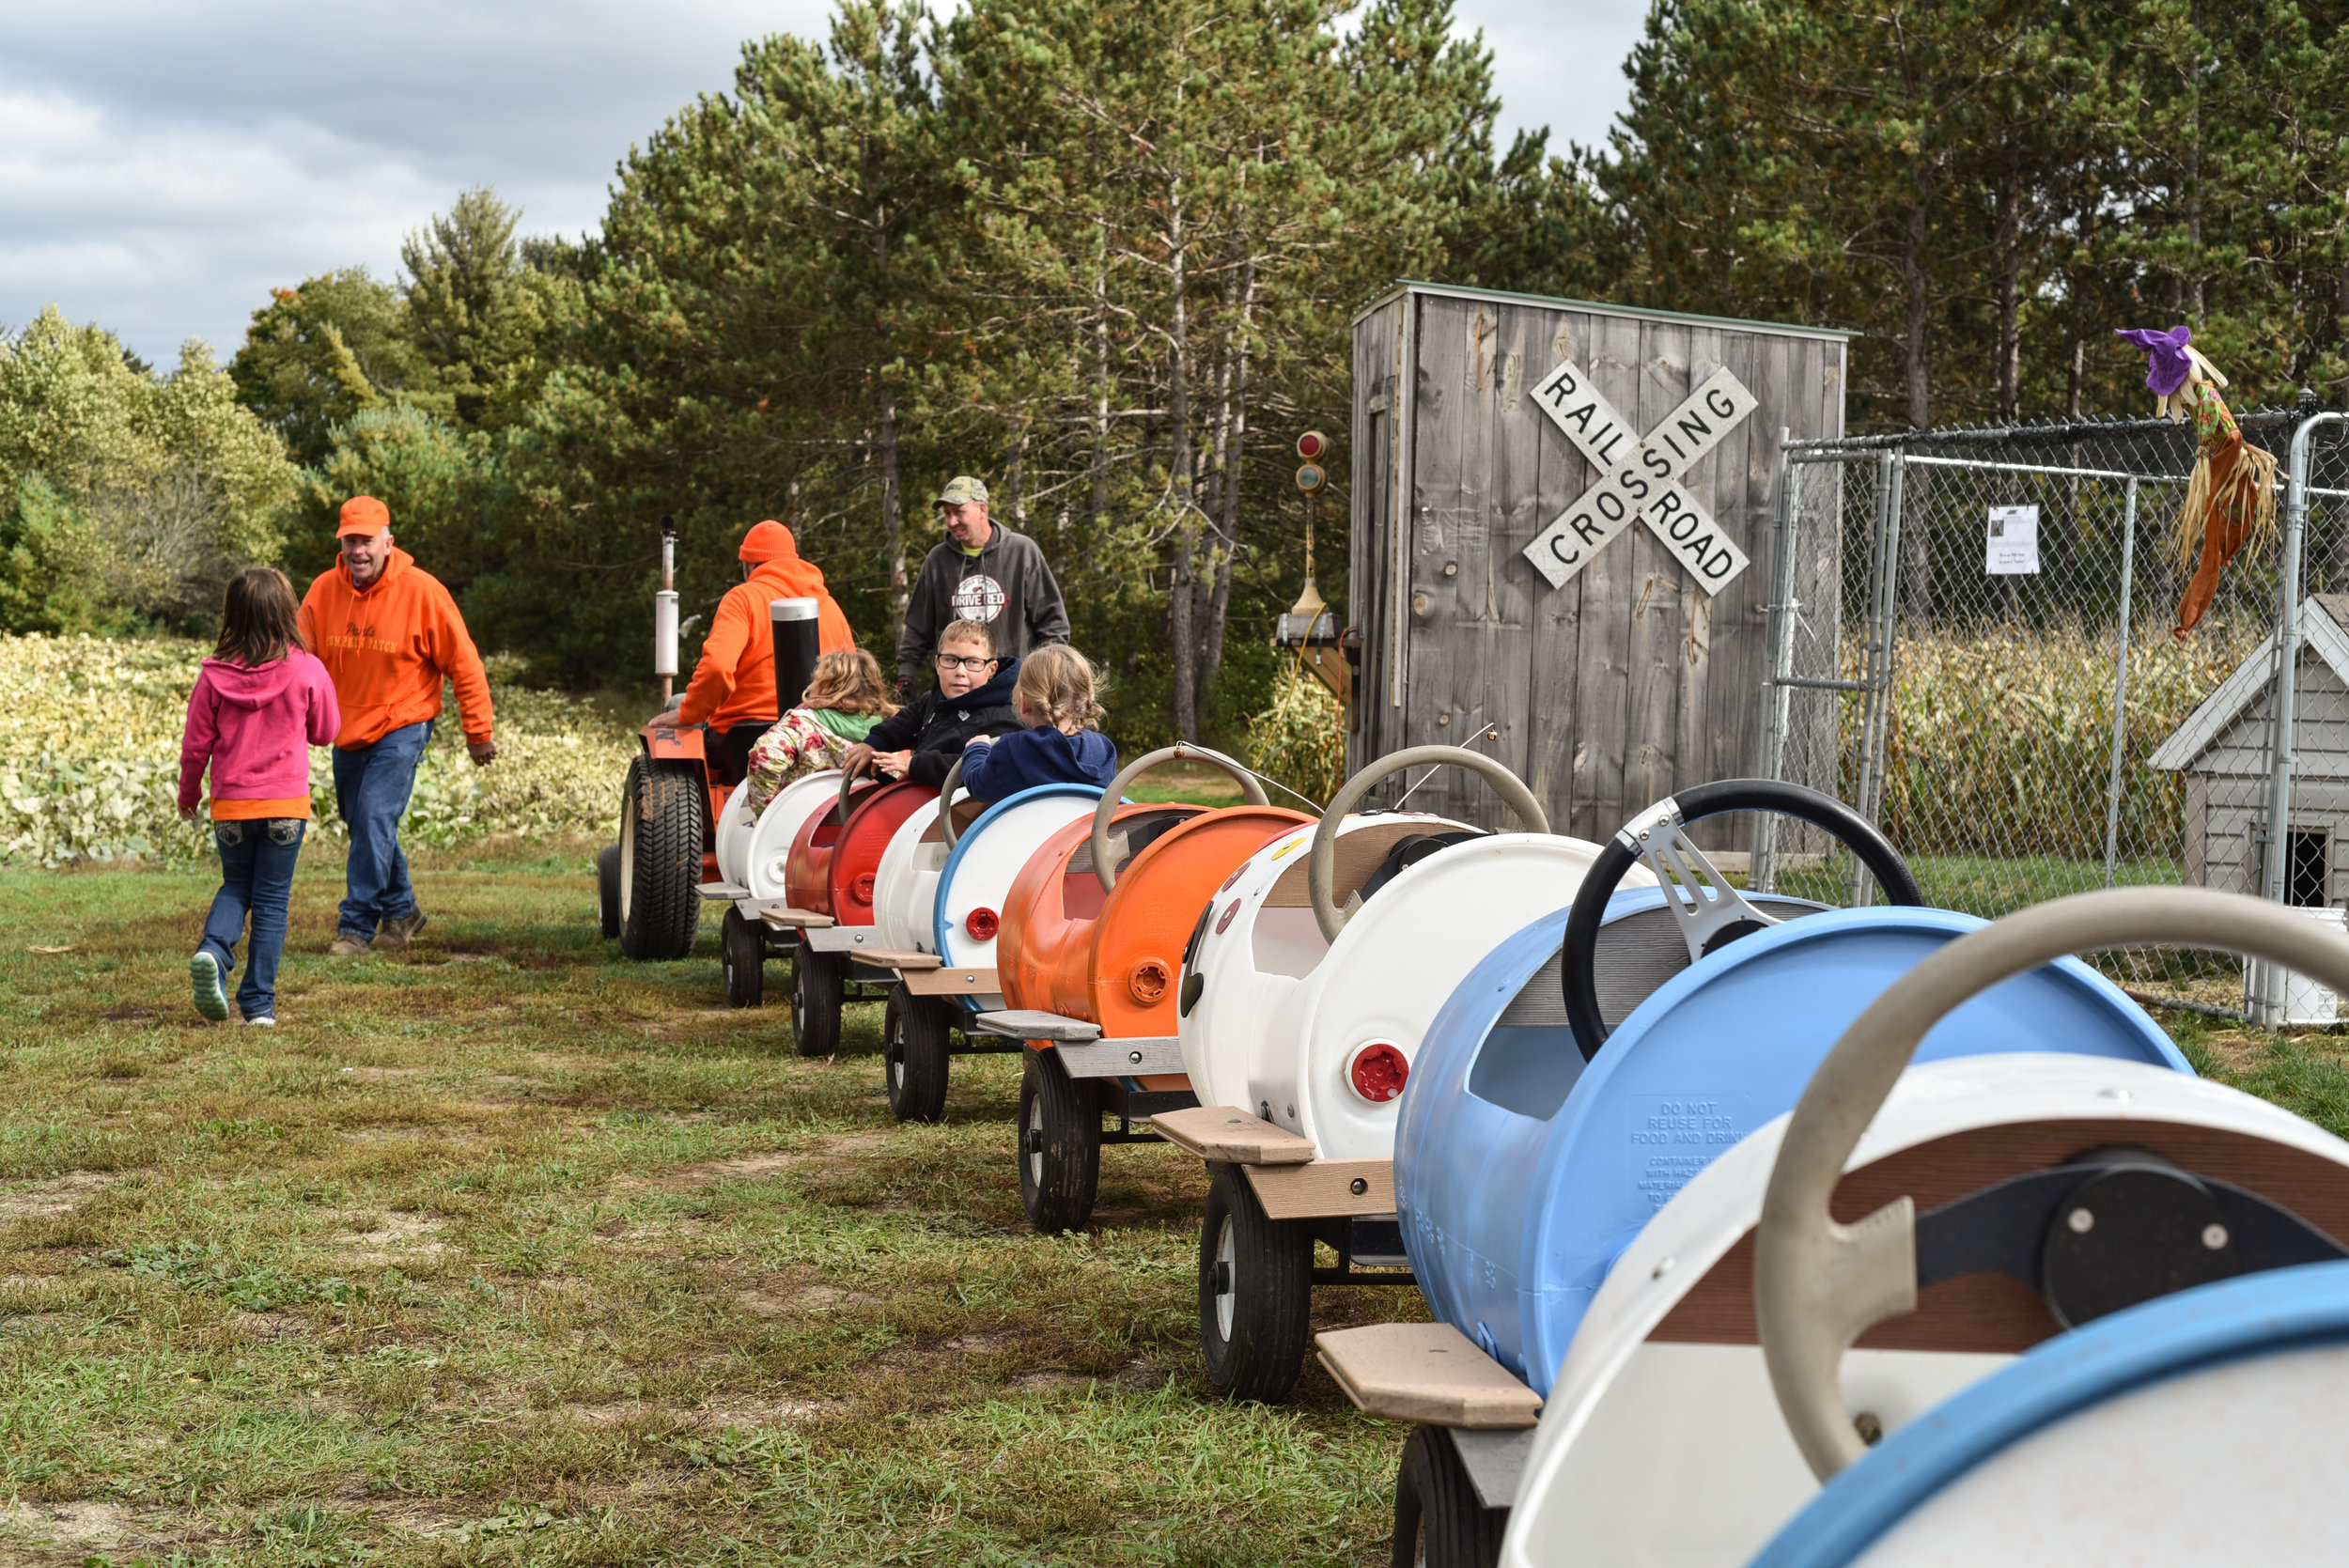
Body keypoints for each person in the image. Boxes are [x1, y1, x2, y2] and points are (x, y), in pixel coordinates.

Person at [296, 495, 496, 956]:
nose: (358, 551)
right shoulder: (324, 591)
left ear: (389, 542)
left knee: (372, 819)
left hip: (403, 722)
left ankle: (356, 928)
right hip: (346, 728)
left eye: (366, 540)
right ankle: (403, 911)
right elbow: (299, 660)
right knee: (365, 824)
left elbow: (464, 664)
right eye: (350, 541)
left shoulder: (424, 592)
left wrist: (478, 732)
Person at [178, 567, 341, 1025]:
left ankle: (214, 951)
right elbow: (327, 732)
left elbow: (195, 745)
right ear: (287, 613)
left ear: (232, 614)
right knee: (271, 901)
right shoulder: (308, 668)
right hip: (285, 807)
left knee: (236, 886)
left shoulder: (212, 676)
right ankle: (260, 1007)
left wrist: (188, 794)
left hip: (231, 806)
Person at [676, 519, 855, 782]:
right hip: (816, 740)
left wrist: (686, 715)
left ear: (748, 565)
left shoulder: (742, 598)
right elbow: (853, 682)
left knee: (681, 722)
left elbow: (716, 668)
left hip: (741, 744)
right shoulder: (829, 605)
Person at [894, 476, 1070, 699]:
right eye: (947, 514)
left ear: (982, 509)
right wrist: (906, 675)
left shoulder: (1022, 552)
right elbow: (917, 629)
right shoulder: (938, 560)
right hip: (956, 693)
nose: (951, 521)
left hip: (1013, 692)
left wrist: (1044, 679)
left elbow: (1053, 627)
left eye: (958, 512)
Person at [842, 619, 1022, 790]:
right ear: (937, 663)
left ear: (991, 669)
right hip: (924, 801)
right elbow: (904, 721)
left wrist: (915, 765)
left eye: (973, 662)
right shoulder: (935, 699)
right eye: (951, 660)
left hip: (966, 812)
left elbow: (986, 768)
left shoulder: (1005, 716)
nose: (960, 671)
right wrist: (873, 744)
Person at [741, 648, 898, 815]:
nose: (809, 686)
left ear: (830, 688)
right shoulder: (891, 730)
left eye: (816, 680)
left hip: (799, 823)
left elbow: (765, 755)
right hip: (865, 824)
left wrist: (767, 812)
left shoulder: (802, 726)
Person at [959, 644, 1117, 801]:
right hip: (1086, 827)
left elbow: (978, 786)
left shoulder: (1012, 749)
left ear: (1024, 702)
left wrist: (977, 749)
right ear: (1083, 700)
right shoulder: (1103, 749)